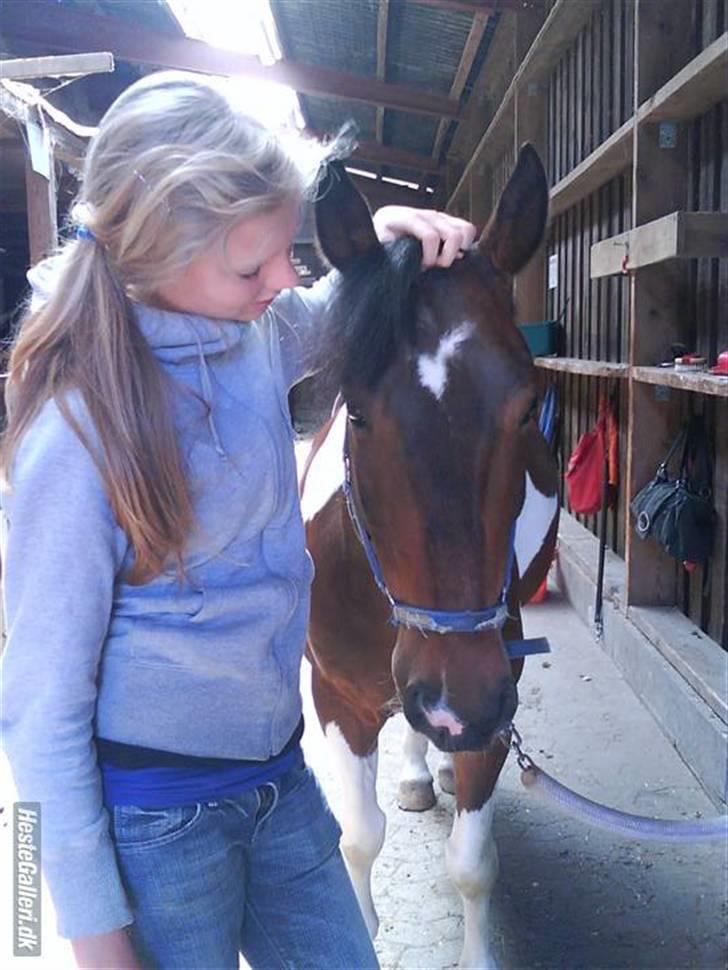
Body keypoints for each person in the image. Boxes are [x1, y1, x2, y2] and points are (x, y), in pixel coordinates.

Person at [0, 71, 476, 970]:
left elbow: (316, 310)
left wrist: (381, 239)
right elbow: (33, 710)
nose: (282, 279)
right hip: (157, 822)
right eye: (252, 264)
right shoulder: (77, 435)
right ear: (151, 256)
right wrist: (86, 935)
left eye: (286, 251)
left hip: (279, 781)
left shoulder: (250, 329)